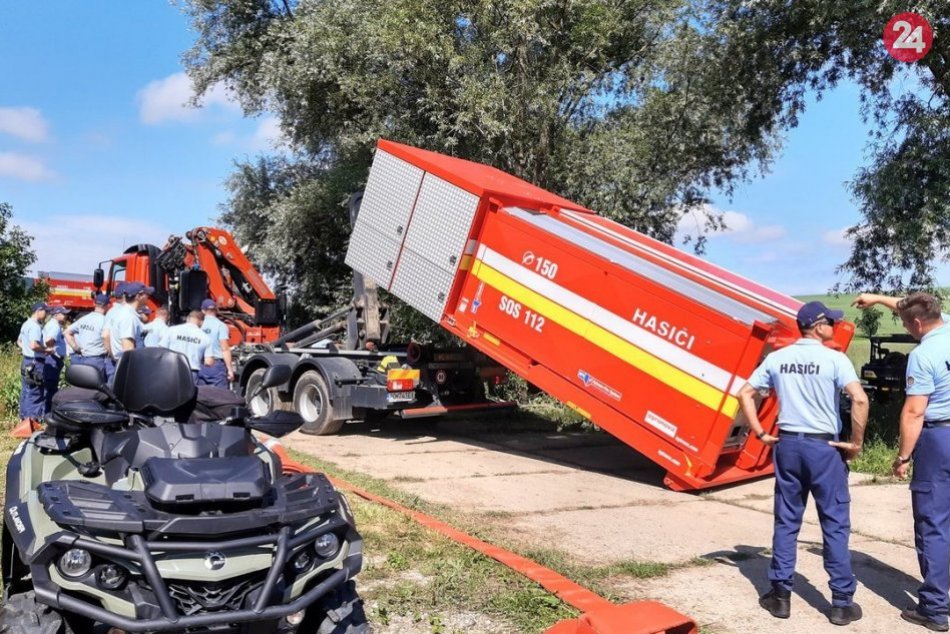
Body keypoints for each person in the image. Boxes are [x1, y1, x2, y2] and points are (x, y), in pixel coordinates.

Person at [737, 300, 869, 626]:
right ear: (818, 326)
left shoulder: (778, 359)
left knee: (787, 521)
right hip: (824, 449)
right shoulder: (835, 359)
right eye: (831, 322)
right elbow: (859, 398)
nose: (834, 327)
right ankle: (841, 603)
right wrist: (856, 443)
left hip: (789, 446)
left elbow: (744, 393)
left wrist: (760, 432)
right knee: (834, 522)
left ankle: (780, 596)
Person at [856, 292, 950, 631]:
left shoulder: (924, 355)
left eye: (908, 325)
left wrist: (903, 457)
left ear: (918, 324)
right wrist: (877, 299)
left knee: (933, 523)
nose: (908, 329)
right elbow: (914, 307)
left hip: (940, 440)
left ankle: (934, 609)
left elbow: (914, 412)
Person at [106, 282, 153, 374]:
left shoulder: (124, 313)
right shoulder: (129, 317)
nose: (148, 296)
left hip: (123, 365)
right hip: (129, 369)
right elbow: (128, 348)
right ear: (138, 296)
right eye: (146, 294)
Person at [16, 302, 50, 423]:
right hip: (36, 363)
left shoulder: (26, 324)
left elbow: (19, 341)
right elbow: (34, 345)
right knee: (36, 392)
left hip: (26, 361)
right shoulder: (35, 326)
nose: (47, 314)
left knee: (26, 391)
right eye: (46, 311)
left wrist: (25, 349)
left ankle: (24, 419)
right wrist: (46, 350)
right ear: (39, 311)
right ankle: (32, 422)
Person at [65, 293, 110, 378]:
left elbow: (67, 332)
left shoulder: (84, 319)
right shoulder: (105, 320)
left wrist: (75, 347)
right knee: (96, 385)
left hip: (82, 360)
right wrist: (109, 351)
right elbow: (105, 336)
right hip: (96, 361)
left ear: (94, 303)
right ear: (107, 306)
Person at [160, 310, 211, 383]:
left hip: (171, 368)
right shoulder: (205, 337)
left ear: (188, 318)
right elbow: (209, 362)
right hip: (191, 371)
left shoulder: (172, 330)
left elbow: (161, 350)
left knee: (170, 390)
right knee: (189, 390)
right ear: (202, 322)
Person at [198, 299, 234, 388]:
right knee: (219, 394)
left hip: (200, 364)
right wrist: (230, 369)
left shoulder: (198, 326)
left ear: (203, 311)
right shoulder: (221, 326)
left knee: (201, 393)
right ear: (216, 310)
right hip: (216, 365)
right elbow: (224, 348)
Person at [41, 306, 69, 412]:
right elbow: (48, 339)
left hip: (52, 359)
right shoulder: (55, 326)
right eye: (63, 313)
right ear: (56, 314)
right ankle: (47, 413)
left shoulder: (52, 324)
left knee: (49, 387)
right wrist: (50, 348)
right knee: (51, 388)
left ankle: (45, 412)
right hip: (53, 359)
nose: (66, 316)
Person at [102, 282, 127, 382]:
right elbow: (105, 335)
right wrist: (113, 355)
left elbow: (105, 335)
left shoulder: (111, 311)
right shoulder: (123, 312)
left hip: (112, 359)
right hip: (119, 360)